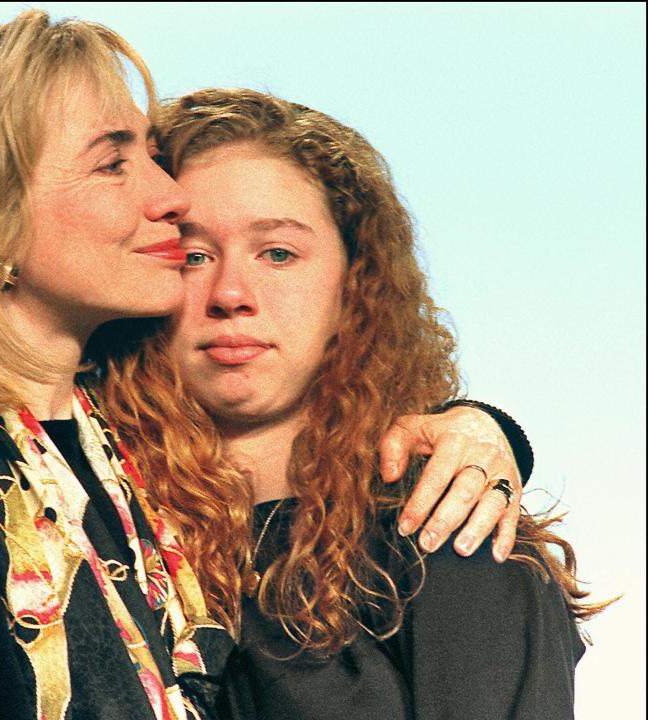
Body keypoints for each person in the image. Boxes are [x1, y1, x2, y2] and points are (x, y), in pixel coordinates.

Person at [0, 11, 530, 720]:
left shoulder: (122, 466)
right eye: (115, 163)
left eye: (151, 154)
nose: (170, 198)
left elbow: (304, 497)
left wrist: (484, 431)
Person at [99, 88, 608, 719]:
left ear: (356, 284)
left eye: (278, 253)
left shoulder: (446, 536)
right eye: (194, 255)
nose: (231, 292)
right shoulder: (90, 537)